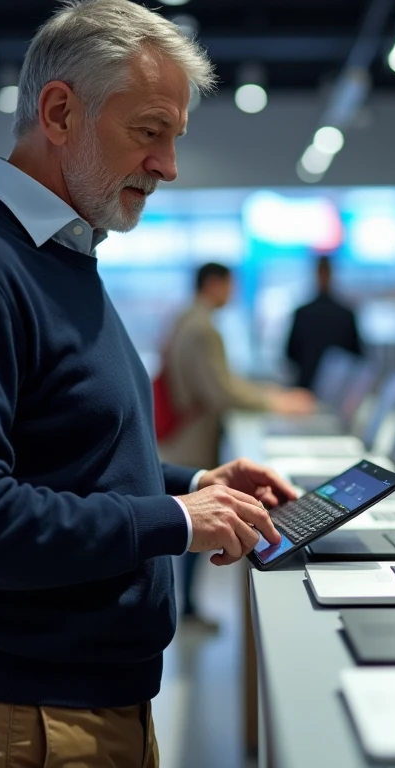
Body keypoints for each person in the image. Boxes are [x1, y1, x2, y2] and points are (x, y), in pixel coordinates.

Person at [0, 0, 297, 767]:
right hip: (19, 719)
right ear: (60, 112)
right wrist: (173, 521)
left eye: (173, 139)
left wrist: (195, 484)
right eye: (149, 132)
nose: (167, 166)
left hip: (78, 706)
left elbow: (64, 453)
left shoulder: (60, 256)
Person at [158, 262, 314, 629]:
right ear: (214, 284)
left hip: (183, 434)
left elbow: (221, 381)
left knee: (192, 519)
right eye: (230, 285)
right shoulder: (202, 328)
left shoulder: (187, 318)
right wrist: (275, 402)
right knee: (194, 520)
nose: (232, 293)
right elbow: (220, 390)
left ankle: (188, 606)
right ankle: (189, 608)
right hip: (192, 438)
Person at [285, 255, 363, 389]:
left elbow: (290, 353)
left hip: (307, 384)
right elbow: (357, 355)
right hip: (337, 388)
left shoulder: (303, 313)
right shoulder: (345, 314)